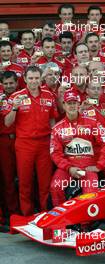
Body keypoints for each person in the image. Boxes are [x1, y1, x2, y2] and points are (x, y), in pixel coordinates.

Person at [4, 65, 58, 216]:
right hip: (24, 144)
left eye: (36, 78)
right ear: (25, 79)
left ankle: (45, 215)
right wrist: (14, 108)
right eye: (31, 78)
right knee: (25, 182)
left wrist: (54, 141)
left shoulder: (49, 95)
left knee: (45, 183)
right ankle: (27, 215)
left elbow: (53, 120)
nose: (34, 81)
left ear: (40, 79)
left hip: (44, 143)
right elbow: (7, 123)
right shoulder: (17, 97)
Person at [50, 89, 105, 206]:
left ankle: (86, 224)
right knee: (55, 187)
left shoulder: (92, 123)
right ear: (64, 105)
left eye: (74, 103)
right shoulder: (57, 128)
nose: (72, 106)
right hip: (68, 167)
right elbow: (55, 153)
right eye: (69, 103)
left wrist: (99, 166)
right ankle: (61, 222)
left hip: (88, 167)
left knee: (90, 194)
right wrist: (69, 168)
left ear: (79, 104)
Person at [0, 71, 19, 224]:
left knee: (25, 177)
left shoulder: (23, 96)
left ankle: (26, 211)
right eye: (5, 83)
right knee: (7, 179)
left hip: (21, 140)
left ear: (17, 82)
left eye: (11, 83)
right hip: (4, 141)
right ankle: (11, 214)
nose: (8, 86)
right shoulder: (1, 99)